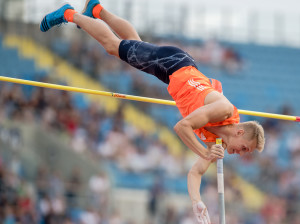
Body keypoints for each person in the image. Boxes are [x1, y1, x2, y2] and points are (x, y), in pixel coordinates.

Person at [40, 1, 265, 223]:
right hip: (173, 64)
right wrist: (205, 152)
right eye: (245, 147)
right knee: (113, 46)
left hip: (174, 71)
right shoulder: (224, 110)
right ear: (239, 132)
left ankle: (96, 10)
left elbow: (195, 173)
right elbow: (182, 126)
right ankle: (69, 14)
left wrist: (197, 202)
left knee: (134, 44)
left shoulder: (218, 143)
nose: (242, 153)